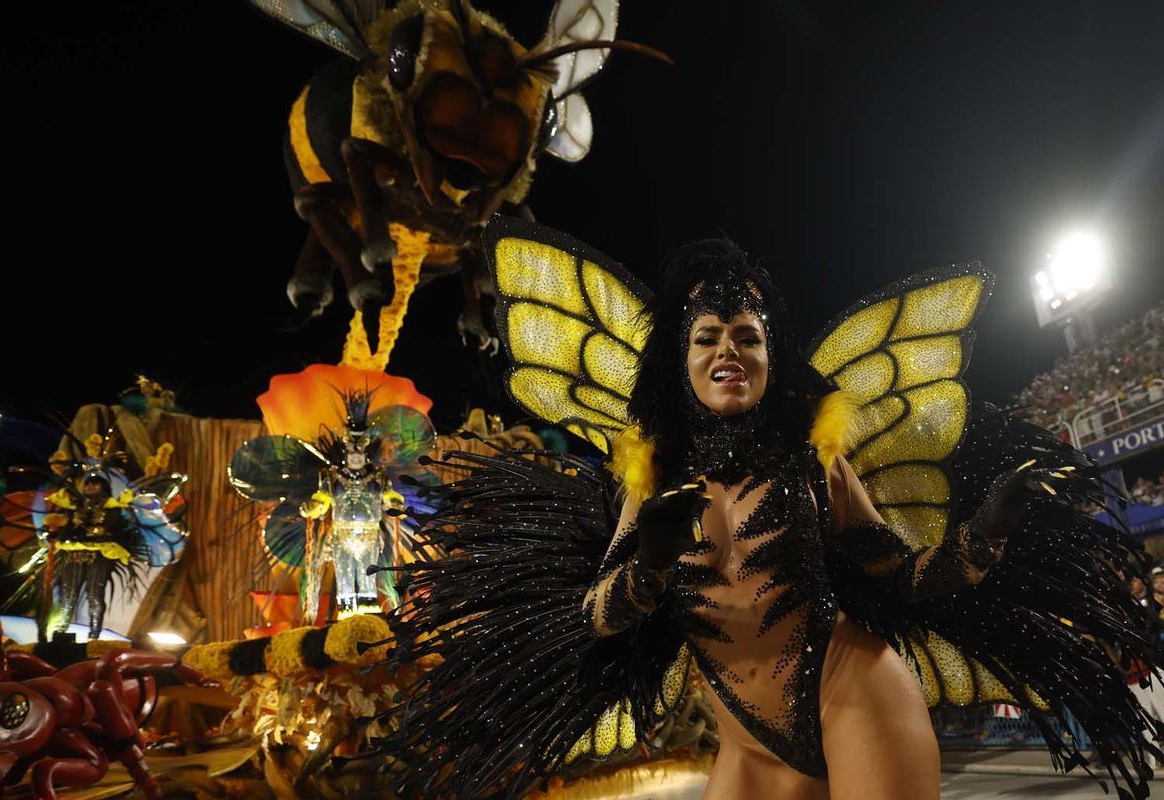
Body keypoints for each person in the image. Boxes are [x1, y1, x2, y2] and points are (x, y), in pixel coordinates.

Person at [385, 219, 1161, 800]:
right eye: (708, 339)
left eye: (749, 337)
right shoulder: (648, 475)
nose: (730, 351)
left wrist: (989, 529)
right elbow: (597, 618)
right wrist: (648, 561)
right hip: (745, 737)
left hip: (852, 690)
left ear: (770, 357)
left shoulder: (815, 457)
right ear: (679, 362)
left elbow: (904, 576)